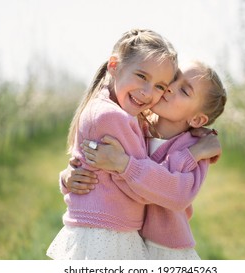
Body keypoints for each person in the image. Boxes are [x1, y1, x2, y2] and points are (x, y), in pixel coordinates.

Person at [61, 60, 227, 259]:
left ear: (197, 120)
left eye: (184, 91)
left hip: (164, 248)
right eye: (173, 79)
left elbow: (178, 194)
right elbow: (100, 165)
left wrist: (125, 164)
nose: (170, 88)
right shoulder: (134, 124)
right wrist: (69, 176)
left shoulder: (196, 148)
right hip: (122, 236)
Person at [46, 28, 178, 260]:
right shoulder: (113, 117)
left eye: (160, 86)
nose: (148, 92)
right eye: (142, 76)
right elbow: (142, 190)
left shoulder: (108, 107)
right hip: (108, 236)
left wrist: (67, 178)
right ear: (114, 66)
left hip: (101, 228)